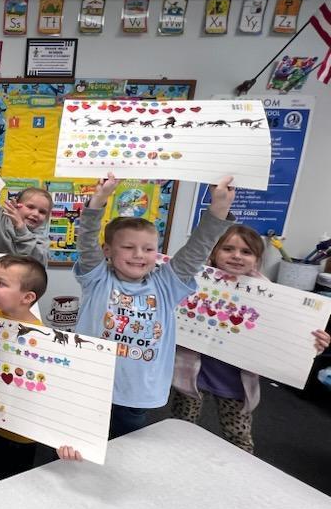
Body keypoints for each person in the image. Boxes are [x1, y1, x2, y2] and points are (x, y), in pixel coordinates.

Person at [74, 173, 235, 438]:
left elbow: (197, 250)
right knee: (77, 445)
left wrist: (219, 208)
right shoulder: (97, 279)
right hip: (90, 385)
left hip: (136, 393)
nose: (139, 255)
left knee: (125, 450)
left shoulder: (166, 285)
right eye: (128, 247)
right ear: (108, 251)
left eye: (148, 249)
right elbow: (86, 242)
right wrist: (98, 201)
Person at [170, 224, 330, 452]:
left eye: (246, 252)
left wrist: (311, 345)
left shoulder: (271, 294)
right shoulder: (195, 280)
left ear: (256, 259)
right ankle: (174, 458)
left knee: (238, 436)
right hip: (191, 373)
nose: (236, 256)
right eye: (228, 249)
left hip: (234, 381)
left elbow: (286, 333)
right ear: (214, 252)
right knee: (180, 426)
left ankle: (240, 470)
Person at [0, 255, 82, 486]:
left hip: (21, 433)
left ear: (27, 298)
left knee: (14, 483)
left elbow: (55, 392)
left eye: (1, 283)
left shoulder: (42, 340)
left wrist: (67, 435)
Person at [0, 187, 52, 265]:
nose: (36, 214)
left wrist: (22, 229)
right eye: (30, 207)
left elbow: (36, 265)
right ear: (16, 204)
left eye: (42, 212)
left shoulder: (42, 242)